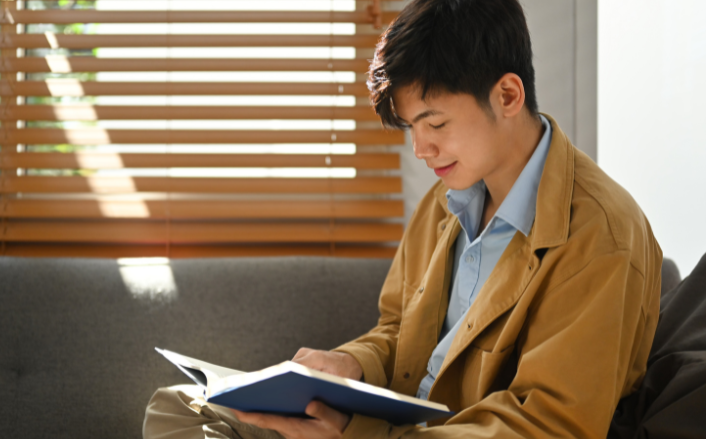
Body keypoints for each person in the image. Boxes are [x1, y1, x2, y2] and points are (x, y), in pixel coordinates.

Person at [143, 0, 662, 438]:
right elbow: (397, 328)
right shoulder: (449, 198)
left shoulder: (601, 234)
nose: (420, 148)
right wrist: (351, 364)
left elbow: (545, 426)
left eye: (434, 122)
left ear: (508, 95)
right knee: (180, 405)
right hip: (388, 424)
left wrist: (358, 432)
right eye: (412, 127)